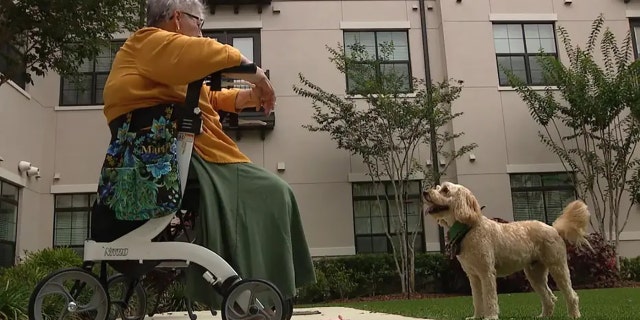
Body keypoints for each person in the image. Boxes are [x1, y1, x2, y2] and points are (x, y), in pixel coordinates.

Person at [94, 0, 316, 309]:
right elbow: (207, 53)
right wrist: (255, 74)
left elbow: (205, 96)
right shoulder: (148, 41)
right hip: (182, 155)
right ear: (175, 18)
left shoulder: (163, 61)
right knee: (275, 190)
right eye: (198, 23)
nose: (201, 31)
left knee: (274, 190)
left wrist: (247, 97)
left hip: (186, 153)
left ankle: (262, 281)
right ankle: (264, 282)